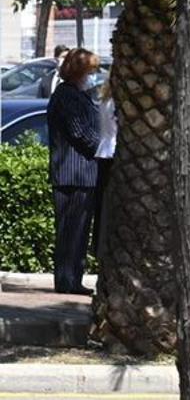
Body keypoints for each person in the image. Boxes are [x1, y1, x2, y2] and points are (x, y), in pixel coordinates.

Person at [46, 48, 101, 295]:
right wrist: (104, 147)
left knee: (77, 232)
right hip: (74, 174)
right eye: (89, 71)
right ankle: (67, 281)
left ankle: (72, 279)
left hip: (80, 174)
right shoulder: (68, 96)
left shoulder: (77, 95)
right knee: (71, 230)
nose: (92, 76)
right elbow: (79, 131)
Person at [93, 73, 117, 257]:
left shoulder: (104, 100)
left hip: (103, 152)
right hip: (112, 153)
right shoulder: (115, 103)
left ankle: (100, 250)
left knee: (102, 208)